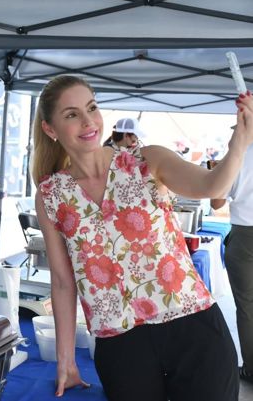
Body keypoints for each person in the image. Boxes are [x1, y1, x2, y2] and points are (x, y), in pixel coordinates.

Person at [31, 75, 252, 400]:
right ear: (50, 129)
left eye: (91, 107)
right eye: (71, 114)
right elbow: (64, 283)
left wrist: (240, 142)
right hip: (120, 343)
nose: (88, 121)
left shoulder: (147, 161)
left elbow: (212, 187)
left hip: (191, 327)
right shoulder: (52, 193)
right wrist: (65, 360)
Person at [210, 143, 253, 385]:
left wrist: (218, 173)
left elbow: (216, 202)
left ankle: (251, 368)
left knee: (248, 307)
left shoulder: (237, 155)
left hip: (245, 235)